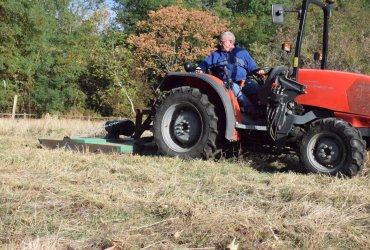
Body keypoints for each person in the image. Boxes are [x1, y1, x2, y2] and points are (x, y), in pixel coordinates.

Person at [195, 31, 264, 113]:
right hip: (227, 84)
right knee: (234, 88)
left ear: (230, 42)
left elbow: (253, 67)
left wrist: (259, 71)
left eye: (222, 42)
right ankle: (251, 110)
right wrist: (199, 69)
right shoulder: (216, 55)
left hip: (244, 82)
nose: (220, 44)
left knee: (260, 89)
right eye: (220, 42)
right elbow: (204, 64)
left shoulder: (242, 53)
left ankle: (264, 110)